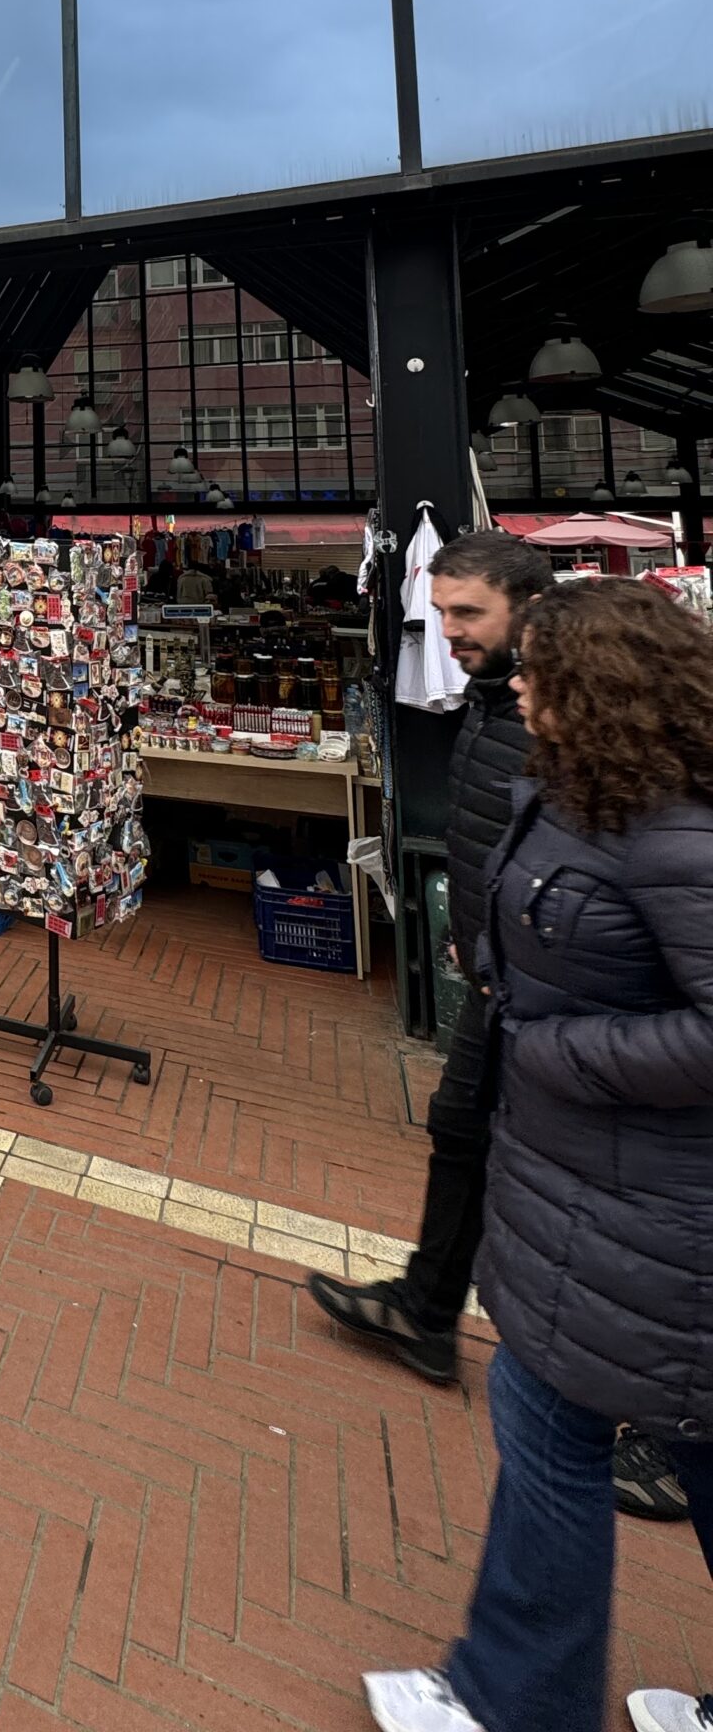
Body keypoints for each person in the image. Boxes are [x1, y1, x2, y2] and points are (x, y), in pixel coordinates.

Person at [362, 576, 713, 1732]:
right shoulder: (587, 790)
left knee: (553, 1423)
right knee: (630, 1428)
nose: (517, 685)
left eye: (538, 672)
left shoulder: (668, 826)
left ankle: (514, 1700)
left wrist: (562, 1051)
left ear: (600, 686)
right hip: (602, 1206)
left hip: (642, 1218)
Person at [307, 532, 687, 1516]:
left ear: (531, 603)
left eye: (466, 612)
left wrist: (574, 1038)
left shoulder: (592, 729)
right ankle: (431, 1308)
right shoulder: (495, 697)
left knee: (628, 1221)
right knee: (466, 1133)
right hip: (507, 981)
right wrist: (477, 934)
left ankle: (664, 1426)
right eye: (439, 611)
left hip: (569, 1014)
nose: (447, 632)